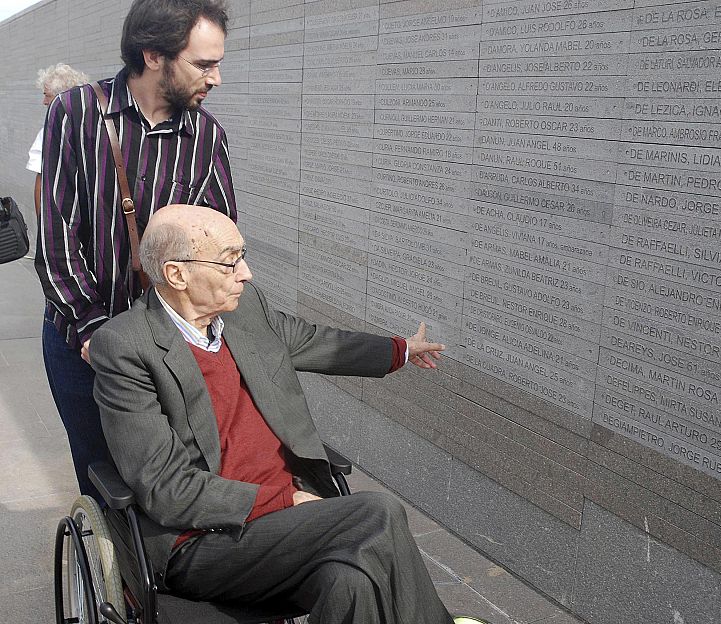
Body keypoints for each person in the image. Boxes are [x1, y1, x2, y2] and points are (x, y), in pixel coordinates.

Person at [90, 205, 484, 623]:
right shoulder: (126, 347)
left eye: (242, 256)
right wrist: (284, 498)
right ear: (177, 274)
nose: (247, 273)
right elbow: (167, 490)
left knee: (350, 580)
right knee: (377, 513)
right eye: (230, 262)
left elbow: (313, 341)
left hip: (290, 524)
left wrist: (400, 351)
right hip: (204, 539)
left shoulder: (243, 311)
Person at [35, 0, 236, 500]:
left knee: (172, 477)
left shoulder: (207, 136)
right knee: (105, 482)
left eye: (218, 64)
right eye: (203, 64)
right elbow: (57, 238)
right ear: (152, 55)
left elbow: (219, 242)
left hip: (167, 350)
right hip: (82, 341)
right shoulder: (77, 112)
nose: (215, 80)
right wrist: (94, 336)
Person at [26, 63, 90, 218]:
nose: (44, 102)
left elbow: (41, 184)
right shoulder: (94, 123)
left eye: (47, 95)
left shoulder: (49, 132)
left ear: (61, 96)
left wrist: (43, 224)